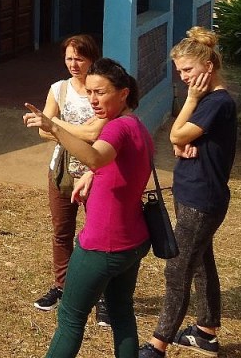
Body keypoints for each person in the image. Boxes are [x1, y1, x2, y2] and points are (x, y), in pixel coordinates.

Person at [24, 57, 153, 358]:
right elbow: (117, 163)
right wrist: (93, 175)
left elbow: (95, 156)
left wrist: (54, 127)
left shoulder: (116, 129)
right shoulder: (136, 125)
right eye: (90, 92)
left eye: (101, 92)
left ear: (123, 93)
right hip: (133, 241)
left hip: (103, 244)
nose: (93, 99)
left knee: (70, 318)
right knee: (121, 311)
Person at [138, 27, 237, 358]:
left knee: (177, 269)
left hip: (201, 199)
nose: (183, 77)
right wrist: (182, 143)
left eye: (188, 70)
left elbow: (175, 135)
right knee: (201, 261)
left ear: (208, 66)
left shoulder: (216, 102)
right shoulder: (208, 101)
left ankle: (158, 346)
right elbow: (180, 139)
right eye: (179, 71)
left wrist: (185, 122)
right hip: (190, 193)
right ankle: (206, 332)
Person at [31, 35, 110, 328]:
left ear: (92, 58)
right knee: (61, 232)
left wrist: (54, 124)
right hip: (62, 170)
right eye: (68, 58)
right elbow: (42, 131)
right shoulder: (59, 88)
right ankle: (62, 286)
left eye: (79, 58)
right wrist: (60, 128)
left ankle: (103, 297)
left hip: (95, 171)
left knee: (98, 237)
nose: (73, 64)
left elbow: (94, 133)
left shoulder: (100, 90)